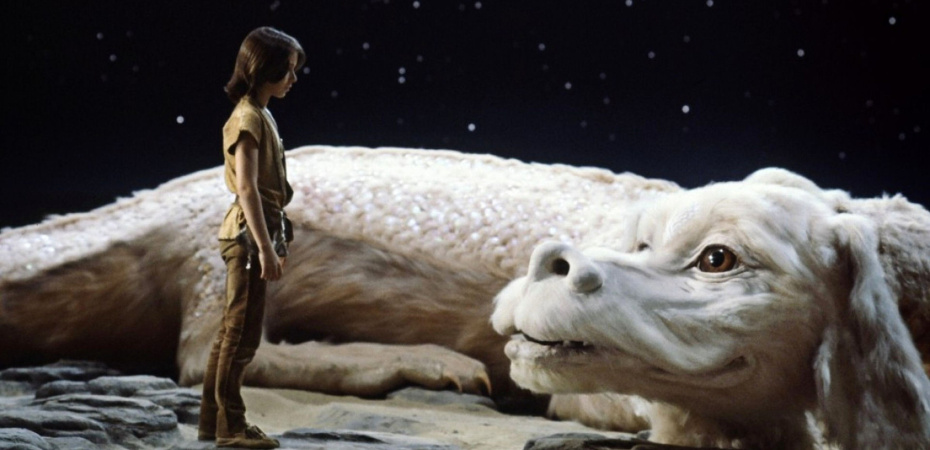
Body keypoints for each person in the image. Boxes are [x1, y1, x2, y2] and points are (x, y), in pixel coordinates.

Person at [198, 26, 305, 449]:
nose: (293, 79)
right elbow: (246, 188)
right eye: (288, 69)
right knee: (240, 337)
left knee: (232, 332)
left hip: (252, 234)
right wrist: (263, 248)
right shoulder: (247, 118)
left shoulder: (260, 114)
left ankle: (214, 424)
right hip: (245, 237)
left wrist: (271, 243)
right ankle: (231, 430)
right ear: (265, 68)